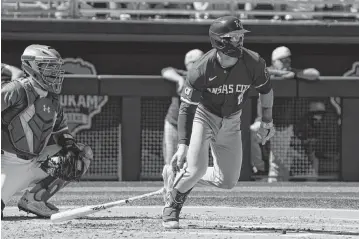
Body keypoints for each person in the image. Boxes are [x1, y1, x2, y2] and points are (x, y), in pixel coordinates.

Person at [161, 16, 275, 229]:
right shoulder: (201, 68)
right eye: (233, 37)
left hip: (232, 119)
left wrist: (266, 121)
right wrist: (182, 145)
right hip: (204, 116)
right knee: (195, 169)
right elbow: (187, 108)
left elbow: (266, 90)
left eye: (241, 37)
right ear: (219, 41)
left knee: (228, 181)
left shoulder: (254, 62)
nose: (239, 42)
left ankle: (177, 175)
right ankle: (173, 204)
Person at [1, 45, 92, 219]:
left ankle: (35, 199)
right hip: (6, 164)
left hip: (35, 161)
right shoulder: (15, 90)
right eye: (49, 67)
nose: (55, 73)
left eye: (57, 68)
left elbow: (61, 131)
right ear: (32, 67)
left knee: (80, 155)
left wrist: (70, 146)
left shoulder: (53, 99)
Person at [250, 46, 321, 182]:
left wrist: (294, 74)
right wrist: (281, 74)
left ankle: (273, 193)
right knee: (249, 136)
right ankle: (259, 167)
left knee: (277, 164)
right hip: (263, 122)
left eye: (288, 60)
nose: (287, 63)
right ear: (275, 61)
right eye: (283, 60)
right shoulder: (266, 71)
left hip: (282, 125)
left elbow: (314, 73)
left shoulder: (293, 73)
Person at [161, 49, 204, 200]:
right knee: (171, 161)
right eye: (196, 62)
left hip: (195, 126)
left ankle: (180, 193)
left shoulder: (208, 77)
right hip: (174, 123)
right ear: (188, 64)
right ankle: (169, 193)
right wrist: (179, 80)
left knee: (193, 164)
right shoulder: (184, 75)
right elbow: (166, 71)